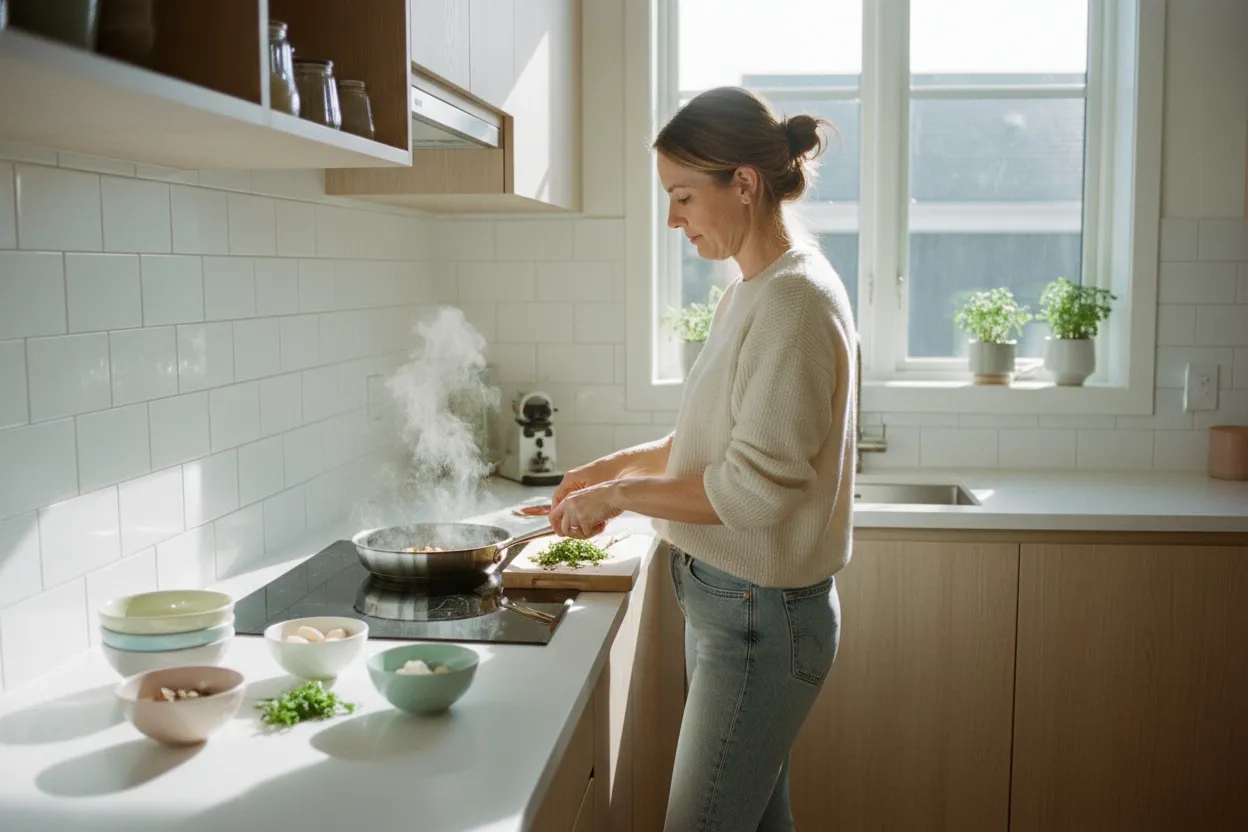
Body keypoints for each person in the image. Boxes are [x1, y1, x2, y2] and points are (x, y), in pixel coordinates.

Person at [548, 86, 857, 832]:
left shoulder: (795, 301)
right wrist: (604, 471)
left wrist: (621, 498)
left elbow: (753, 493)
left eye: (684, 196)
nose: (671, 218)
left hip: (760, 618)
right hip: (735, 607)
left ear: (744, 184)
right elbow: (710, 441)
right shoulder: (751, 292)